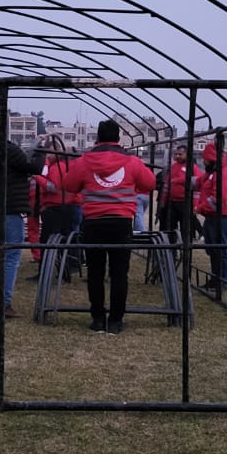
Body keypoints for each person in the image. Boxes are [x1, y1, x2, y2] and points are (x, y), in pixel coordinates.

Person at [62, 120, 155, 333]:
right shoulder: (132, 162)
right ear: (118, 138)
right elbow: (150, 184)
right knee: (119, 273)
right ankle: (115, 321)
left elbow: (68, 185)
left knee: (95, 273)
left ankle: (97, 319)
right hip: (121, 222)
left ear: (97, 137)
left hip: (93, 222)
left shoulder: (84, 161)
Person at [0, 115, 44, 318]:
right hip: (10, 207)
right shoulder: (9, 149)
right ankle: (5, 303)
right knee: (11, 256)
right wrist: (40, 149)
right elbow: (34, 168)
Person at [38, 135, 82, 281]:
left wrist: (37, 178)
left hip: (56, 209)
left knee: (48, 242)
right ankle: (65, 271)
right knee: (64, 241)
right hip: (64, 207)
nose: (47, 155)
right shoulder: (63, 166)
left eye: (49, 152)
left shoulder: (57, 168)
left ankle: (45, 274)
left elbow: (54, 187)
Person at [195, 141, 227, 290]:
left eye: (204, 158)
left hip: (221, 217)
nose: (203, 161)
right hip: (212, 217)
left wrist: (199, 208)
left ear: (211, 159)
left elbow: (218, 199)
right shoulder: (212, 174)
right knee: (212, 249)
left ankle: (223, 281)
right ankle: (216, 277)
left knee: (220, 249)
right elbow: (198, 182)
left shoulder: (221, 175)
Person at [160, 144, 202, 243]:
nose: (177, 156)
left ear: (187, 155)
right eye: (176, 154)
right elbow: (167, 185)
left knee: (185, 229)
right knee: (171, 228)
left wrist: (195, 205)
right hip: (172, 203)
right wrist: (163, 200)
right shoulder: (173, 167)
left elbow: (197, 189)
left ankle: (185, 250)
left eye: (180, 154)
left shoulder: (193, 168)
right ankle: (172, 252)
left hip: (185, 203)